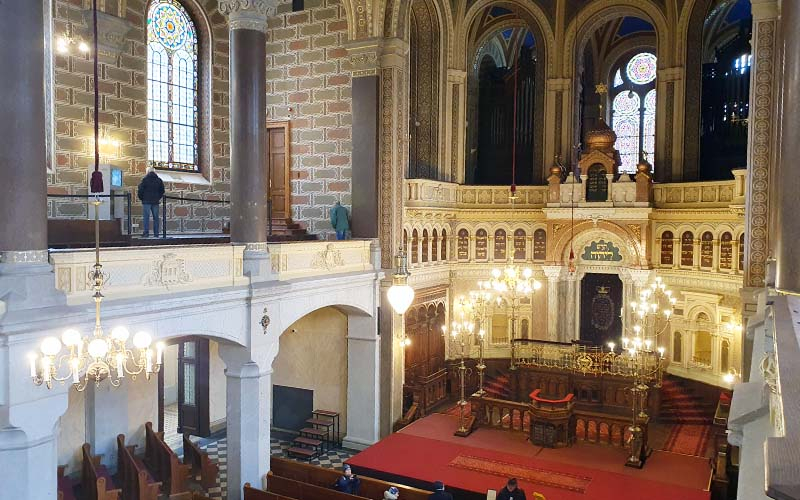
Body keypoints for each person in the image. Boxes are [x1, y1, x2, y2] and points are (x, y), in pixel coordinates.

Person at [137, 166, 165, 237]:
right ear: (154, 172)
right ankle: (156, 234)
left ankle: (146, 233)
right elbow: (162, 191)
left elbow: (140, 190)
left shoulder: (145, 180)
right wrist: (158, 198)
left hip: (146, 201)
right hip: (155, 201)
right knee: (156, 218)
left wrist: (142, 198)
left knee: (146, 217)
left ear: (147, 172)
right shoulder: (159, 180)